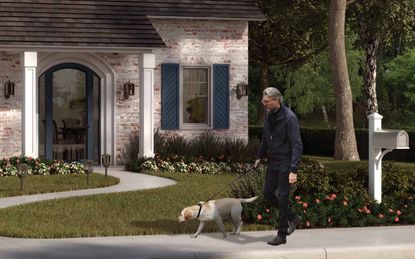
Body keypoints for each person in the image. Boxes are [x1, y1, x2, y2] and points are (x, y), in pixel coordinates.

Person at [254, 87, 303, 246]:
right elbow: (265, 138)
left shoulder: (290, 118)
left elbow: (297, 145)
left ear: (277, 100)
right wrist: (259, 156)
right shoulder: (269, 115)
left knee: (282, 196)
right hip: (273, 162)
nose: (265, 104)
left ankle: (282, 235)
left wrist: (293, 170)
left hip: (286, 163)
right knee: (268, 192)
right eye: (264, 101)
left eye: (267, 102)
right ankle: (293, 217)